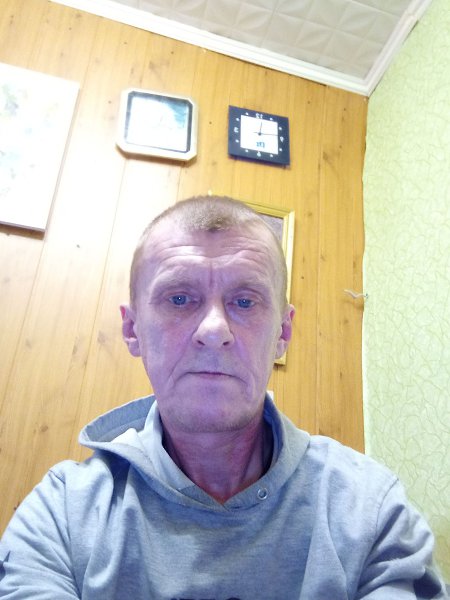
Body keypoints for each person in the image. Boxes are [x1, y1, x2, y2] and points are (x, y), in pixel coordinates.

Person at [0, 195, 447, 599]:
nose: (214, 330)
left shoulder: (372, 510)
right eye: (180, 298)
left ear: (283, 333)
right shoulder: (60, 516)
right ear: (132, 329)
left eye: (245, 302)